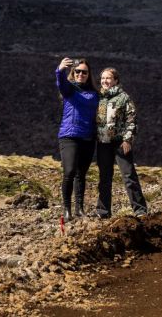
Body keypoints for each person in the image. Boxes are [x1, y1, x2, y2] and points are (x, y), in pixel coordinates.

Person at [95, 67, 148, 218]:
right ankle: (103, 212)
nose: (105, 81)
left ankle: (140, 210)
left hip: (120, 143)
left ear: (116, 80)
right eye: (103, 78)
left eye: (108, 78)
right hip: (103, 143)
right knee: (104, 177)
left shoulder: (124, 98)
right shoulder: (98, 97)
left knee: (129, 176)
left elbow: (132, 120)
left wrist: (128, 140)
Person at [55, 57, 98, 220]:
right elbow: (60, 83)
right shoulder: (69, 90)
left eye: (84, 72)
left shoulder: (95, 94)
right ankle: (67, 210)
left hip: (88, 137)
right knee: (70, 171)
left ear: (88, 74)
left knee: (81, 174)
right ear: (73, 73)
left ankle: (79, 209)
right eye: (78, 71)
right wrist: (60, 70)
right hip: (69, 136)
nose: (81, 74)